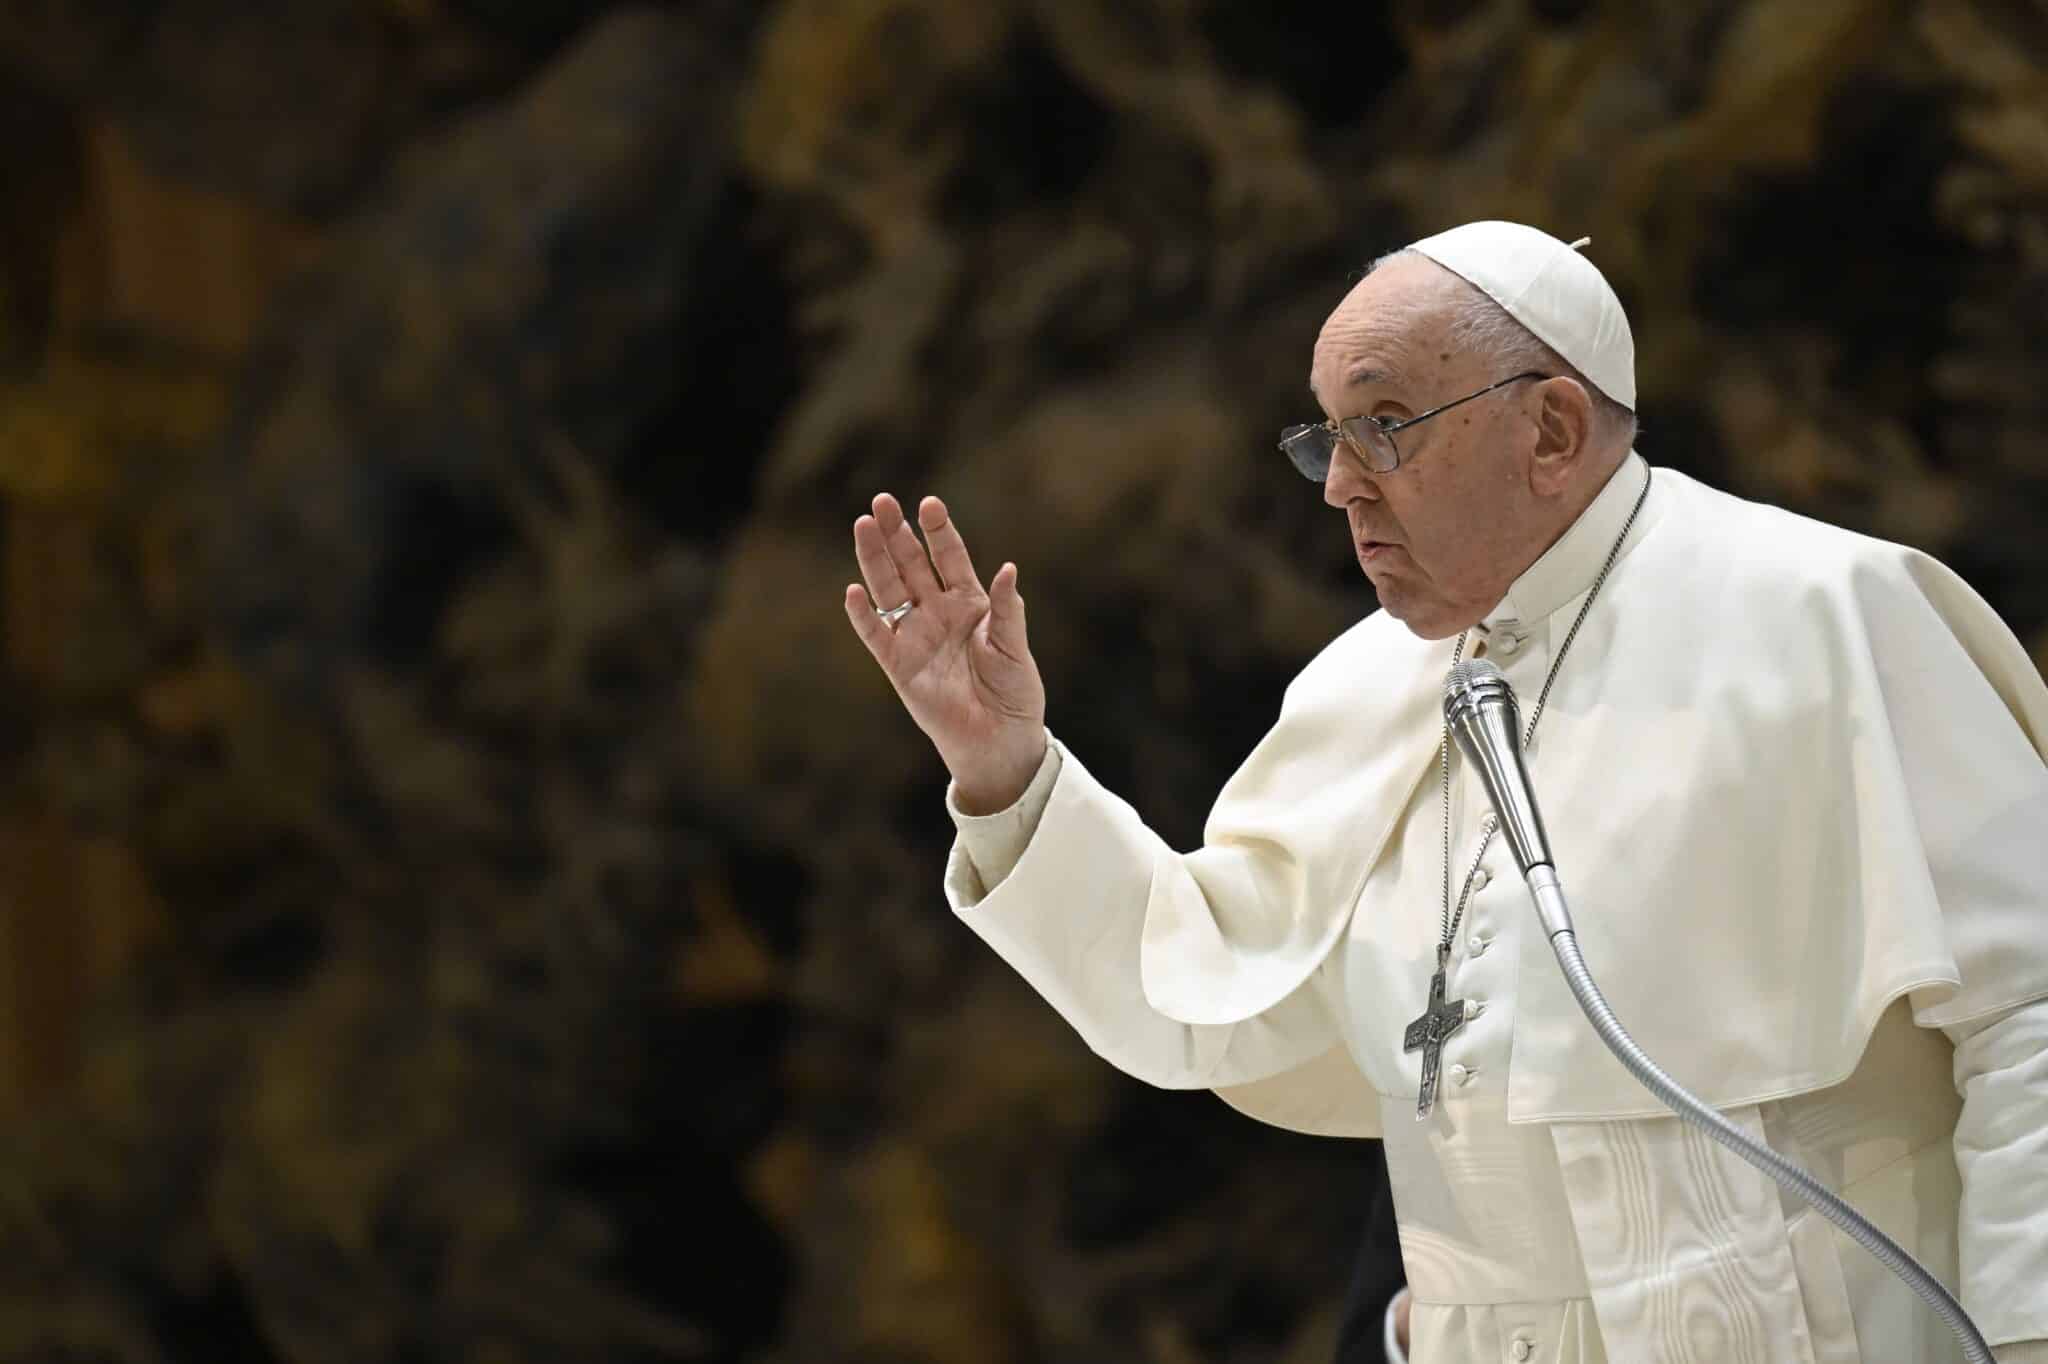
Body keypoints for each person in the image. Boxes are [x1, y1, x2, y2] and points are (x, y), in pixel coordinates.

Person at [841, 221, 2048, 1363]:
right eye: (1324, 437)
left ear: (1553, 428)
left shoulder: (1825, 612)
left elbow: (2028, 1014)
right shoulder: (1364, 684)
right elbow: (1202, 998)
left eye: (1384, 426)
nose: (1337, 486)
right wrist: (1003, 768)